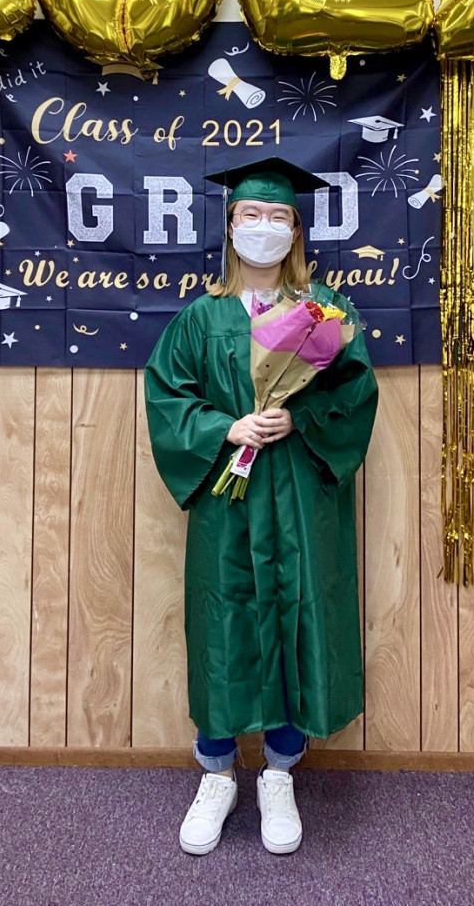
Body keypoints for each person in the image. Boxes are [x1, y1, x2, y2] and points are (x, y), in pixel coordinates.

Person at [144, 157, 378, 856]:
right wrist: (226, 428)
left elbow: (355, 395)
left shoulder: (324, 312)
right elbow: (167, 396)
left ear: (296, 230)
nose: (264, 226)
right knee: (224, 621)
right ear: (230, 226)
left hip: (300, 494)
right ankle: (216, 774)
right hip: (229, 497)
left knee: (299, 616)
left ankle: (279, 772)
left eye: (279, 216)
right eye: (252, 214)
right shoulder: (202, 317)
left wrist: (297, 418)